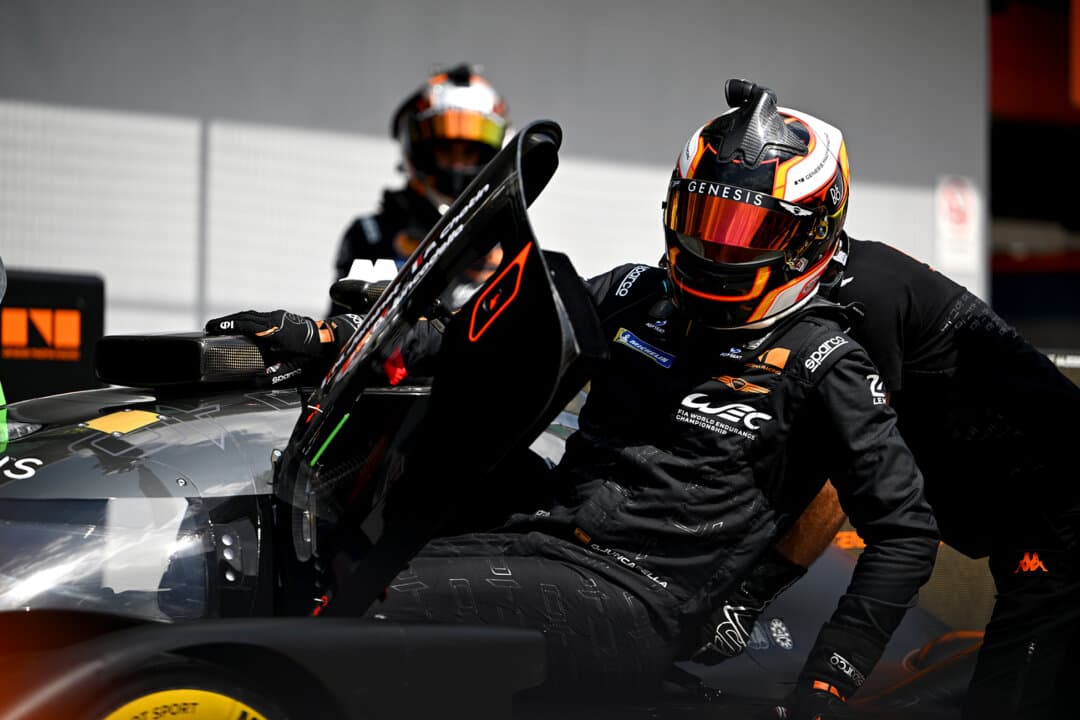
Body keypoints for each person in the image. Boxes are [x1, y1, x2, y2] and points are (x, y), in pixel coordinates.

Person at [209, 80, 940, 719]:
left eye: (748, 230)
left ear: (810, 236)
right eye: (707, 219)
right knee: (328, 564)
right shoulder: (638, 292)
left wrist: (829, 682)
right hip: (540, 542)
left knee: (358, 615)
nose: (718, 250)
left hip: (635, 598)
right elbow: (475, 337)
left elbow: (906, 531)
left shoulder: (826, 361)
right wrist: (332, 335)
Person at [805, 233, 1080, 719]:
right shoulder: (862, 277)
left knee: (1006, 698)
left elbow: (846, 465)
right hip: (1024, 509)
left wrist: (757, 587)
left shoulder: (867, 295)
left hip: (1055, 508)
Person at [329, 63, 510, 314]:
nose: (457, 164)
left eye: (470, 152)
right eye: (446, 149)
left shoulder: (506, 236)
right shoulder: (372, 234)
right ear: (420, 150)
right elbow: (344, 327)